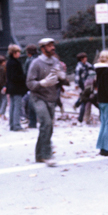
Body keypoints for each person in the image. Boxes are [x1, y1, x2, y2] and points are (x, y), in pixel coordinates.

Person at [26, 38, 69, 166]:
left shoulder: (56, 62)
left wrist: (63, 77)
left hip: (51, 98)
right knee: (47, 123)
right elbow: (29, 83)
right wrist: (41, 83)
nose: (52, 48)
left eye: (52, 45)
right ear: (42, 48)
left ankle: (39, 155)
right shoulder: (36, 63)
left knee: (48, 127)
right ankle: (47, 155)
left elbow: (64, 81)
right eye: (49, 46)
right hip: (38, 97)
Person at [95, 50, 108, 156]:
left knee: (103, 124)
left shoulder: (99, 70)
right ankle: (107, 148)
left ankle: (102, 146)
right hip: (107, 101)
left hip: (101, 100)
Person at [6, 44, 27, 131]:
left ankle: (12, 124)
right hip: (17, 87)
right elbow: (15, 77)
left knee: (12, 106)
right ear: (14, 53)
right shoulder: (15, 63)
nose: (19, 54)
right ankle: (16, 125)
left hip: (11, 87)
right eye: (18, 52)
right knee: (17, 107)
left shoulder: (9, 62)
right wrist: (24, 77)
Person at [23, 44, 39, 128]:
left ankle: (32, 122)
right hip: (40, 83)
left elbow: (26, 73)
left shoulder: (29, 61)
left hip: (32, 84)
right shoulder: (40, 59)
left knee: (31, 103)